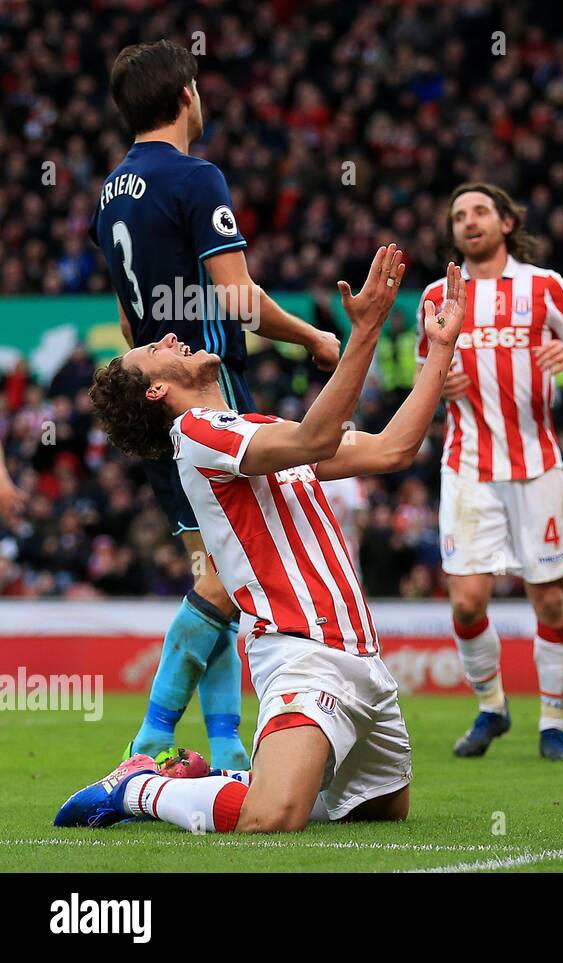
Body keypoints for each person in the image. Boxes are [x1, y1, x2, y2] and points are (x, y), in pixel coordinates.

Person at [56, 246, 465, 833]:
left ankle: (206, 781)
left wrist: (441, 350)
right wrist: (365, 334)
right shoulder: (193, 433)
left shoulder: (260, 430)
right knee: (272, 819)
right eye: (155, 349)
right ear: (155, 392)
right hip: (300, 649)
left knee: (376, 813)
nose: (171, 338)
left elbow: (393, 450)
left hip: (362, 657)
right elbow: (319, 440)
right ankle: (139, 788)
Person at [89, 40, 342, 770]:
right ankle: (149, 739)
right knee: (229, 575)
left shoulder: (110, 193)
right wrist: (312, 338)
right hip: (209, 391)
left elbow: (130, 322)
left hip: (159, 394)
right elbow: (237, 297)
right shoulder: (196, 178)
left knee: (216, 567)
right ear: (187, 96)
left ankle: (226, 744)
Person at [414, 183, 563, 762]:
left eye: (479, 212)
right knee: (468, 602)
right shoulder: (436, 296)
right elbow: (424, 380)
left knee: (549, 601)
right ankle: (492, 708)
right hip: (468, 467)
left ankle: (553, 725)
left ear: (506, 221)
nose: (468, 222)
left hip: (537, 466)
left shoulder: (545, 287)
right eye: (457, 215)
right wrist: (435, 384)